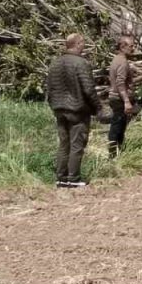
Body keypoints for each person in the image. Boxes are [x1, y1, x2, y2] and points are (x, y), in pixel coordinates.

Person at [45, 34, 100, 188]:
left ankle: (61, 178)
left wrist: (53, 105)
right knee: (77, 144)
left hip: (59, 109)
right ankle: (73, 178)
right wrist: (98, 108)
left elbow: (49, 88)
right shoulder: (81, 63)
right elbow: (88, 89)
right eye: (83, 43)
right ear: (78, 44)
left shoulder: (55, 63)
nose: (84, 46)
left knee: (64, 144)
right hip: (77, 109)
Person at [107, 36, 136, 159]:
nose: (133, 48)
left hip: (116, 98)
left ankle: (118, 154)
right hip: (119, 99)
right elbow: (120, 82)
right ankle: (113, 155)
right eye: (131, 46)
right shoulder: (123, 62)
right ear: (122, 47)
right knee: (117, 128)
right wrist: (126, 101)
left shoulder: (116, 59)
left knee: (119, 127)